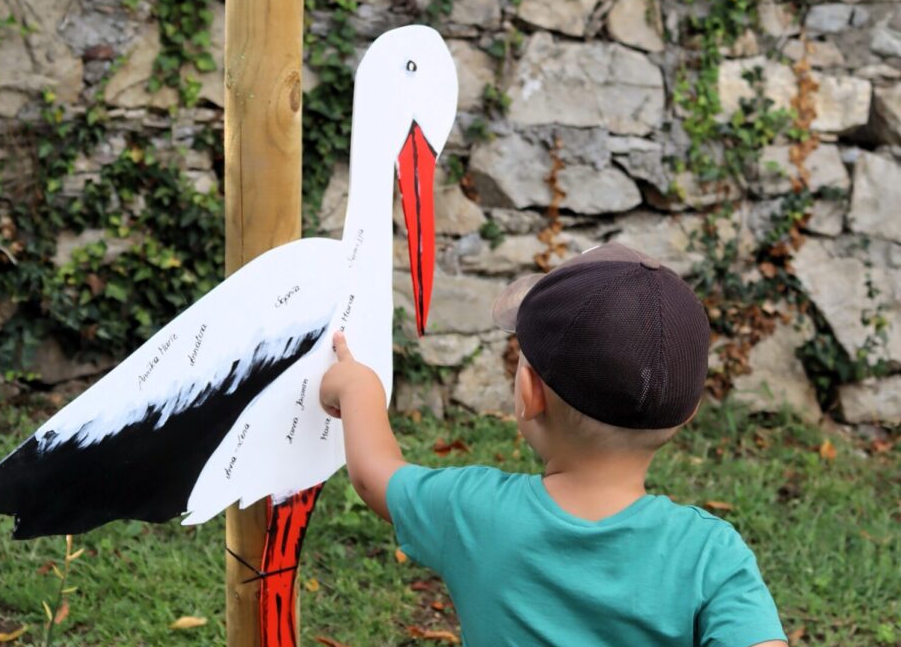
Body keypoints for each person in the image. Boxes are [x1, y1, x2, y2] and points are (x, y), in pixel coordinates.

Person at [319, 242, 788, 647]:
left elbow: (373, 473)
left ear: (528, 394)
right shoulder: (711, 554)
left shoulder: (474, 512)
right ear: (688, 412)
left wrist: (358, 387)